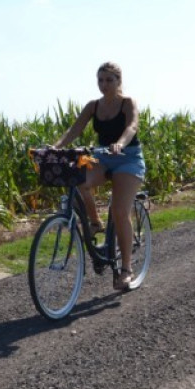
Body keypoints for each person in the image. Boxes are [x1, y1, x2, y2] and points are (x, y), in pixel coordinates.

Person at [52, 61, 146, 291]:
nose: (104, 85)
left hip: (128, 158)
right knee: (79, 181)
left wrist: (120, 143)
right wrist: (57, 146)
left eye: (109, 80)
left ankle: (126, 269)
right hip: (103, 156)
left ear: (118, 81)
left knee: (120, 211)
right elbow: (74, 130)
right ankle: (95, 222)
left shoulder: (127, 103)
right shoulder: (93, 106)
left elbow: (132, 126)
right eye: (100, 80)